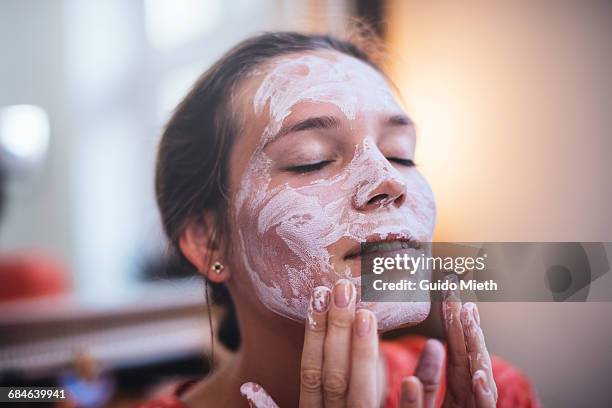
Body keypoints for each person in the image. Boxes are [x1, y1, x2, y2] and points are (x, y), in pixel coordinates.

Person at [142, 31, 539, 407]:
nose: (389, 179)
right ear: (208, 240)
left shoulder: (495, 392)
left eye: (400, 154)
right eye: (310, 160)